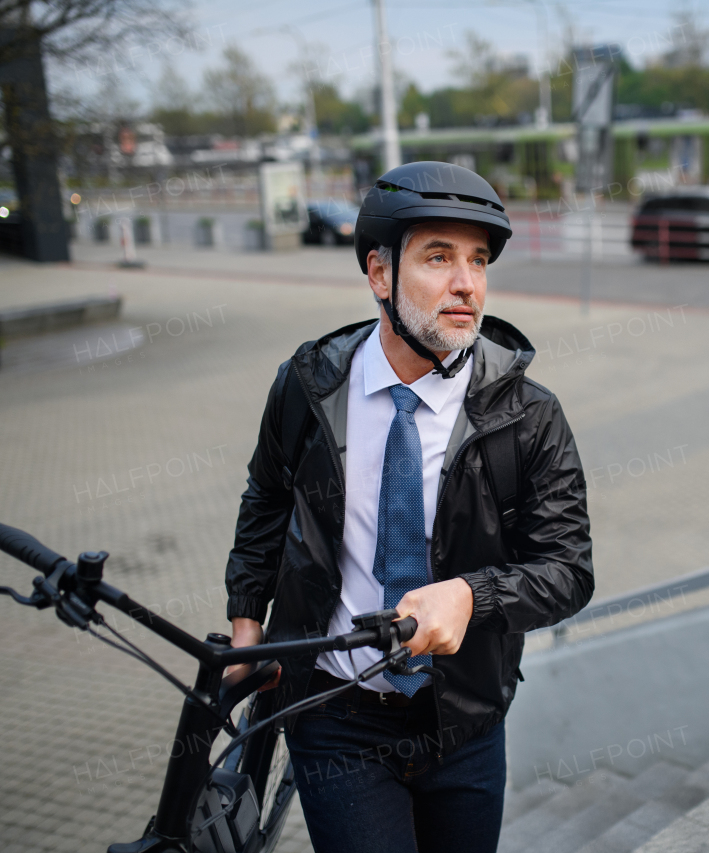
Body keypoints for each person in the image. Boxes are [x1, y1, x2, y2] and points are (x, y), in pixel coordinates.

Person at [224, 161, 594, 853]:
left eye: (479, 260)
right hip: (335, 713)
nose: (467, 283)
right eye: (438, 257)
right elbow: (266, 498)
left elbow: (569, 570)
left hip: (466, 721)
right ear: (379, 274)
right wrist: (247, 626)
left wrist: (471, 596)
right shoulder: (308, 386)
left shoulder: (529, 416)